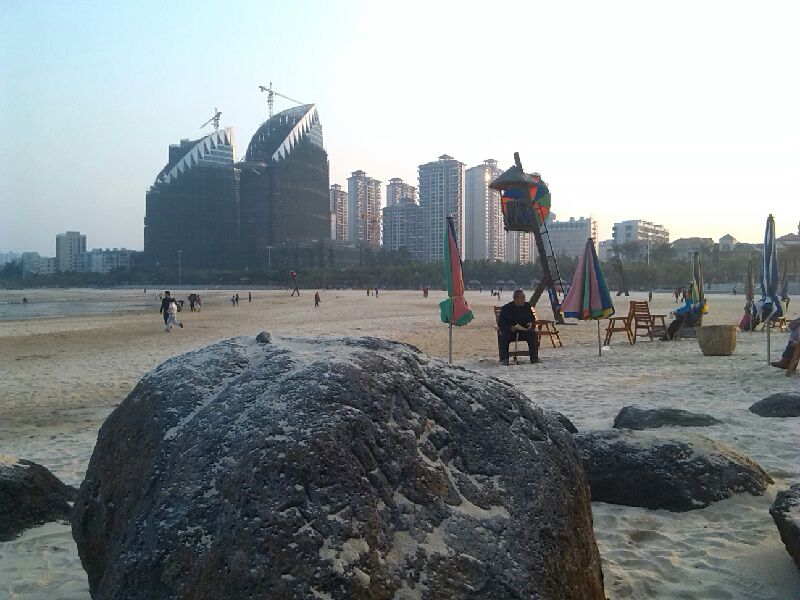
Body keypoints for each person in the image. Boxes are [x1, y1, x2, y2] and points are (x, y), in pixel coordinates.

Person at [497, 290, 540, 365]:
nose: (524, 300)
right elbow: (501, 323)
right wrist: (510, 327)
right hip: (511, 332)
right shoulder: (506, 308)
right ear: (515, 299)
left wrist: (531, 323)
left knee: (533, 334)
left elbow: (532, 319)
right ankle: (505, 358)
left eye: (524, 298)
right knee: (503, 335)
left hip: (524, 331)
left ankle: (534, 358)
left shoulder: (527, 306)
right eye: (522, 298)